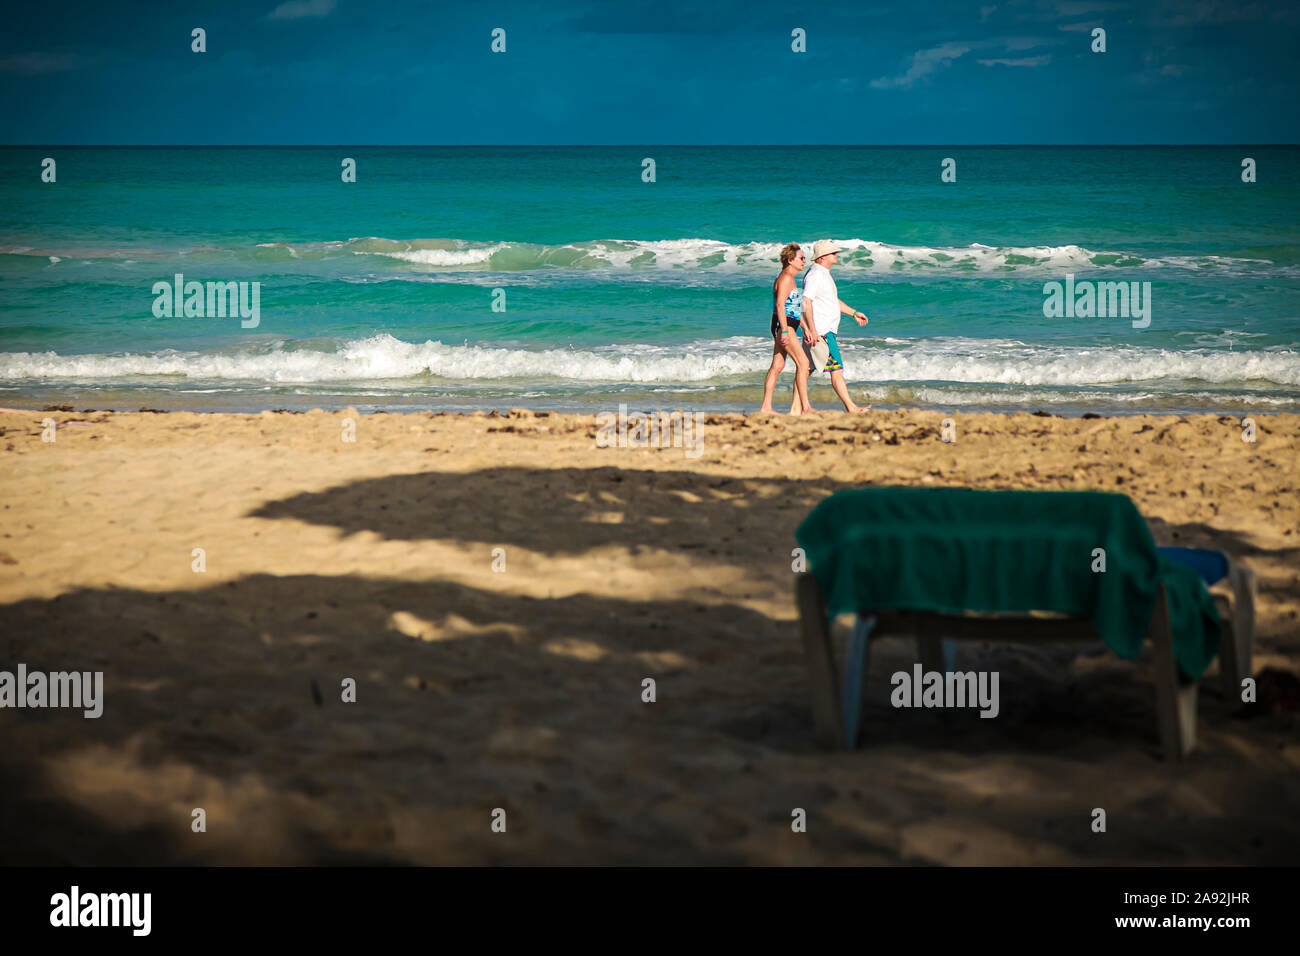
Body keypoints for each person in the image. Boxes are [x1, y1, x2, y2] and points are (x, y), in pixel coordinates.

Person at [799, 239, 870, 413]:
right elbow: (806, 301)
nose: (837, 255)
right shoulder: (816, 275)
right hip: (822, 332)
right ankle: (851, 407)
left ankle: (799, 408)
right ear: (822, 257)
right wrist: (812, 330)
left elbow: (832, 301)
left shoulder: (823, 273)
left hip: (823, 331)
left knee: (805, 370)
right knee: (836, 370)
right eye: (833, 253)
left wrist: (853, 313)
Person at [759, 243, 816, 415]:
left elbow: (793, 309)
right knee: (803, 363)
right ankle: (805, 407)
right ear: (790, 260)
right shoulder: (785, 278)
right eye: (801, 258)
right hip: (785, 326)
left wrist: (805, 328)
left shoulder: (789, 278)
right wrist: (784, 330)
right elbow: (780, 305)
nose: (804, 261)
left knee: (777, 365)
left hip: (786, 324)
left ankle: (766, 408)